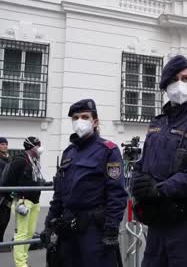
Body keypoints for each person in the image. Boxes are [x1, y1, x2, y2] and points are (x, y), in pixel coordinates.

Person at [130, 55, 187, 267]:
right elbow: (142, 164)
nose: (180, 84)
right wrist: (137, 183)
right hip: (157, 228)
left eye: (185, 78)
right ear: (165, 86)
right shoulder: (157, 124)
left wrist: (161, 189)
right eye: (174, 79)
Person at [40, 99, 128, 267]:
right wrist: (48, 224)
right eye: (75, 117)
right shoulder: (69, 153)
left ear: (95, 122)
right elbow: (59, 194)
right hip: (67, 228)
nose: (80, 121)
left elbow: (116, 193)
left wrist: (112, 227)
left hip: (94, 229)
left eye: (85, 117)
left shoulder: (108, 150)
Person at [2, 137, 44, 267]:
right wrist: (15, 196)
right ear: (31, 147)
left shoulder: (35, 161)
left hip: (35, 201)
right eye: (37, 145)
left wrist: (45, 183)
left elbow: (35, 179)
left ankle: (24, 260)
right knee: (21, 233)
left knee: (30, 233)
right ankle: (20, 264)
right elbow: (8, 182)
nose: (40, 148)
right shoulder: (20, 160)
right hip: (24, 201)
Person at [0, 137, 11, 251]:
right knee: (2, 220)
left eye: (6, 144)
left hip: (6, 195)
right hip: (1, 195)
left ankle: (1, 242)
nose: (5, 146)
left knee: (5, 220)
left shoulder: (7, 159)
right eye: (2, 144)